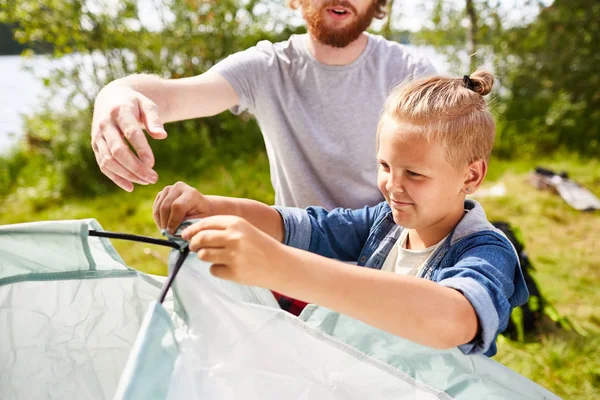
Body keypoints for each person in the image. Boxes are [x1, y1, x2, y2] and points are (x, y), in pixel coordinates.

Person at [152, 71, 529, 357]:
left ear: (472, 175)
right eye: (384, 166)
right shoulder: (383, 223)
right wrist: (214, 207)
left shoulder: (487, 252)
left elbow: (456, 319)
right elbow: (304, 227)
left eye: (414, 174)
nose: (392, 186)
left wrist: (279, 267)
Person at [90, 0, 435, 210]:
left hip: (389, 256)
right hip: (298, 257)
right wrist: (114, 94)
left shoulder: (411, 73)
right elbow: (172, 96)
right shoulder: (267, 67)